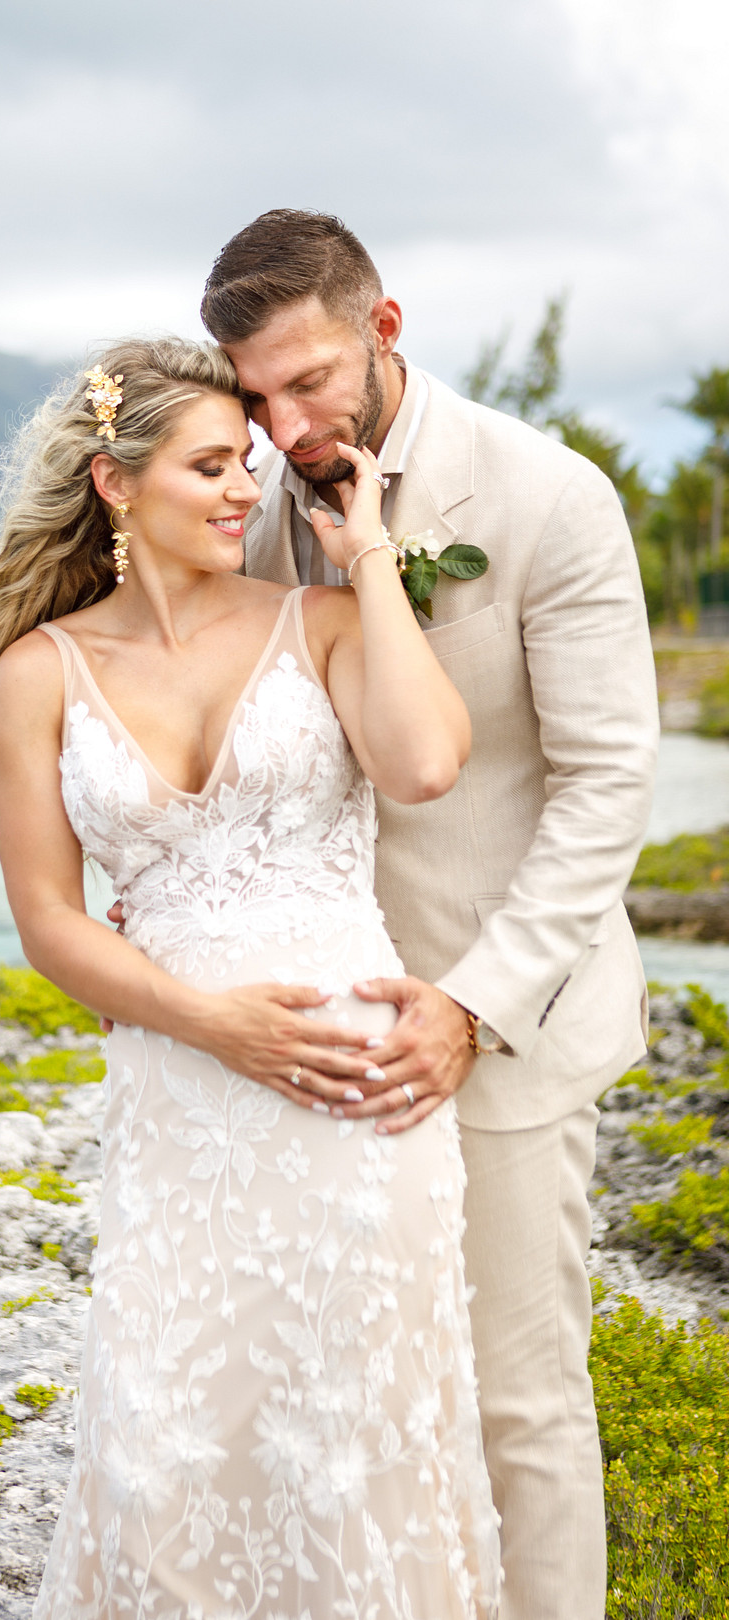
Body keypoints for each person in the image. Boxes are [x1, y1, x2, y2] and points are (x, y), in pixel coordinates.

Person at [0, 337, 501, 1617]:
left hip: (360, 1095)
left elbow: (423, 765)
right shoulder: (40, 674)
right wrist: (210, 1024)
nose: (244, 489)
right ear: (115, 482)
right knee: (167, 1435)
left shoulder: (317, 622)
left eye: (248, 464)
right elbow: (47, 919)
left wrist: (364, 549)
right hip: (182, 1092)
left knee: (359, 1444)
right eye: (210, 465)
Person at [196, 210, 661, 1620]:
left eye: (309, 383)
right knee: (354, 1401)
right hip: (315, 1043)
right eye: (254, 397)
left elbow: (604, 788)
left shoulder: (549, 498)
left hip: (501, 1028)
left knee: (519, 1402)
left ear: (384, 331)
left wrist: (469, 1008)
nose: (282, 429)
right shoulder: (234, 506)